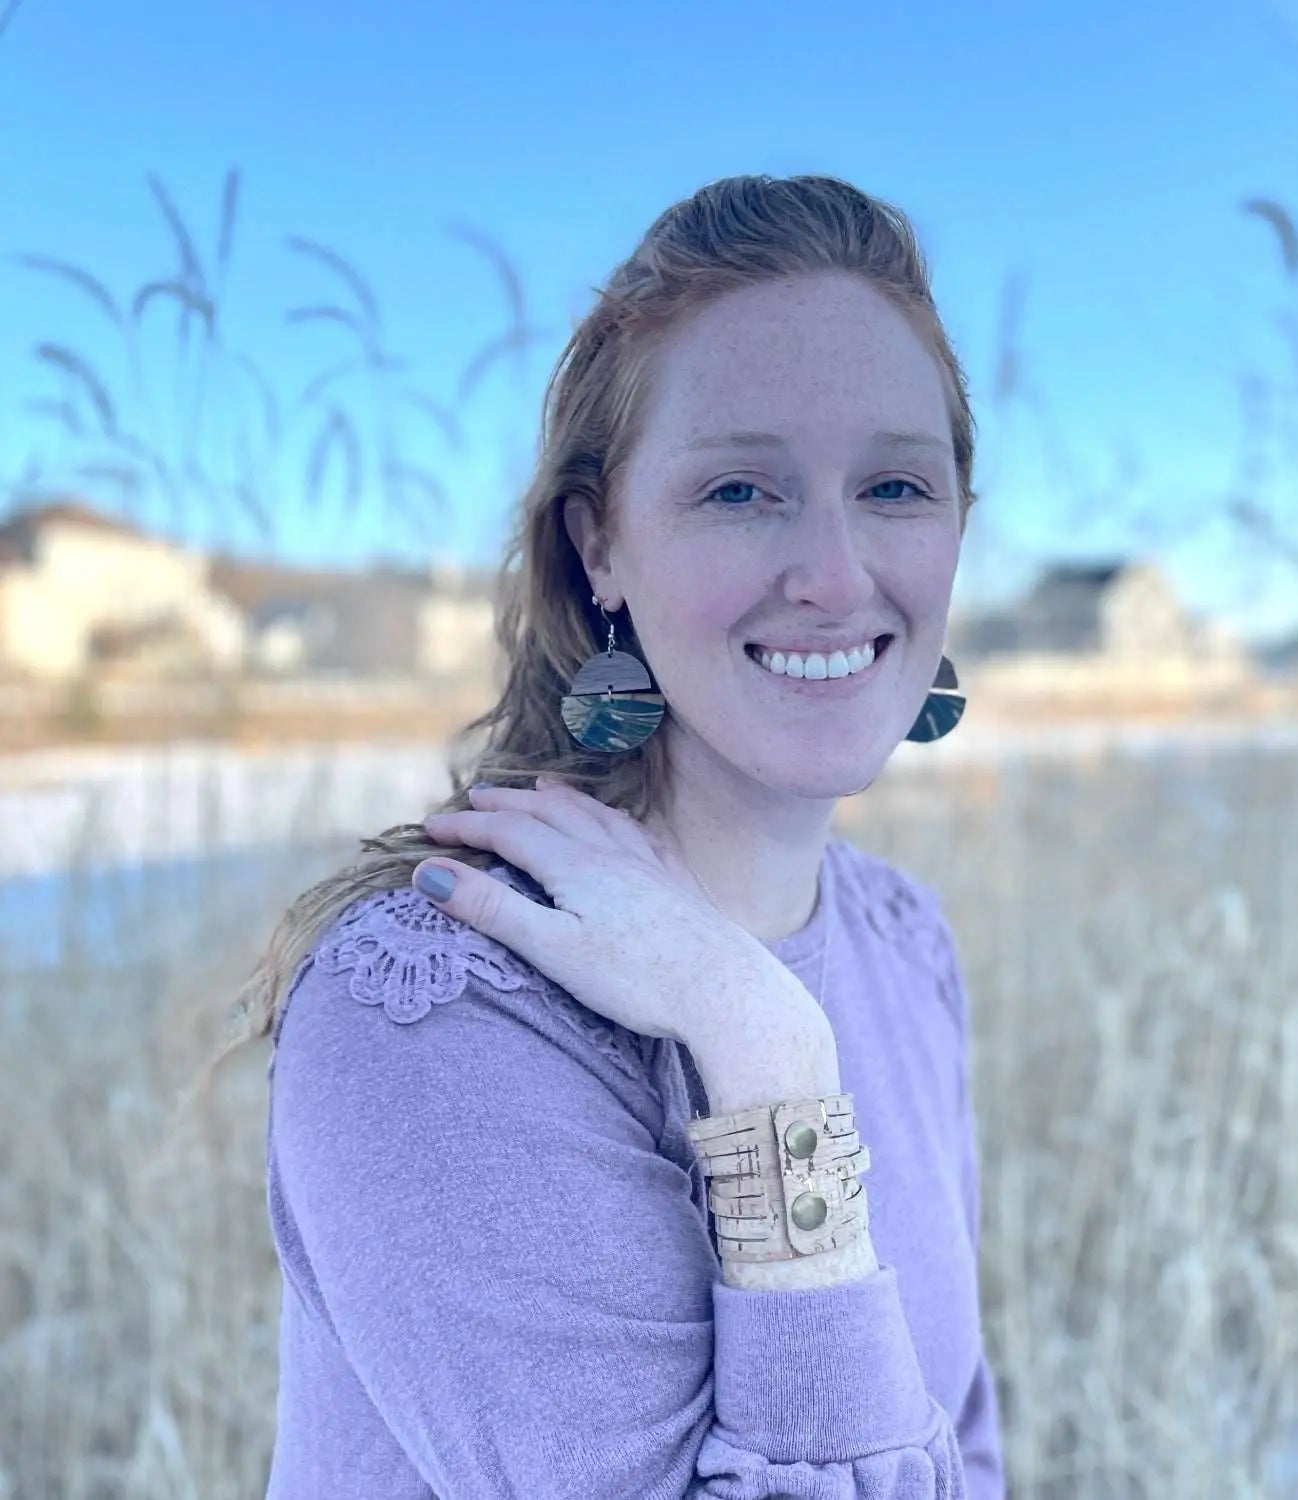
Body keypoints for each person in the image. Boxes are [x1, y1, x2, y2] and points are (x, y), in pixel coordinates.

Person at [227, 172, 1006, 1497]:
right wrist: (768, 1073)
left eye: (892, 485)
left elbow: (968, 1439)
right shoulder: (432, 1005)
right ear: (602, 545)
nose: (833, 571)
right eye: (741, 492)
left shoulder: (901, 938)